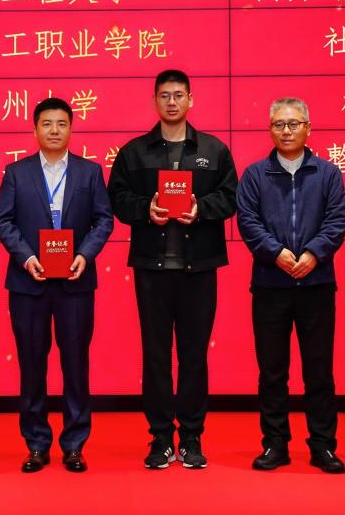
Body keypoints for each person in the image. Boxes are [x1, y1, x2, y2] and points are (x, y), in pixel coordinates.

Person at [107, 69, 238, 470]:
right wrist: (145, 209)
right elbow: (117, 198)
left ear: (191, 100)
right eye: (164, 95)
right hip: (153, 268)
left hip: (200, 269)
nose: (172, 102)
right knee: (156, 355)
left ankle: (192, 437)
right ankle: (161, 437)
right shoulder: (135, 152)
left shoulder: (214, 150)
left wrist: (202, 209)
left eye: (179, 95)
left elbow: (230, 197)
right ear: (155, 101)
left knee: (194, 355)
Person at [0, 98, 114, 473]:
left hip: (75, 282)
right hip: (28, 282)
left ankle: (74, 444)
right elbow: (3, 221)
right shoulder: (16, 172)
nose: (54, 130)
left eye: (62, 124)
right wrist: (27, 257)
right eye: (47, 124)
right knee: (32, 364)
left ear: (71, 128)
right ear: (35, 129)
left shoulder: (90, 172)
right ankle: (36, 444)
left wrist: (85, 255)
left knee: (75, 364)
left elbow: (104, 220)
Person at [236, 97, 345, 474]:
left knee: (319, 369)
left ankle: (323, 445)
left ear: (308, 128)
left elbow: (337, 221)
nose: (286, 131)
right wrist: (277, 253)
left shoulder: (328, 174)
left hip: (317, 283)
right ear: (270, 130)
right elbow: (248, 221)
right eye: (279, 125)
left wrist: (314, 253)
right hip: (270, 285)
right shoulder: (255, 175)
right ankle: (275, 443)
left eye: (294, 124)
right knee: (272, 370)